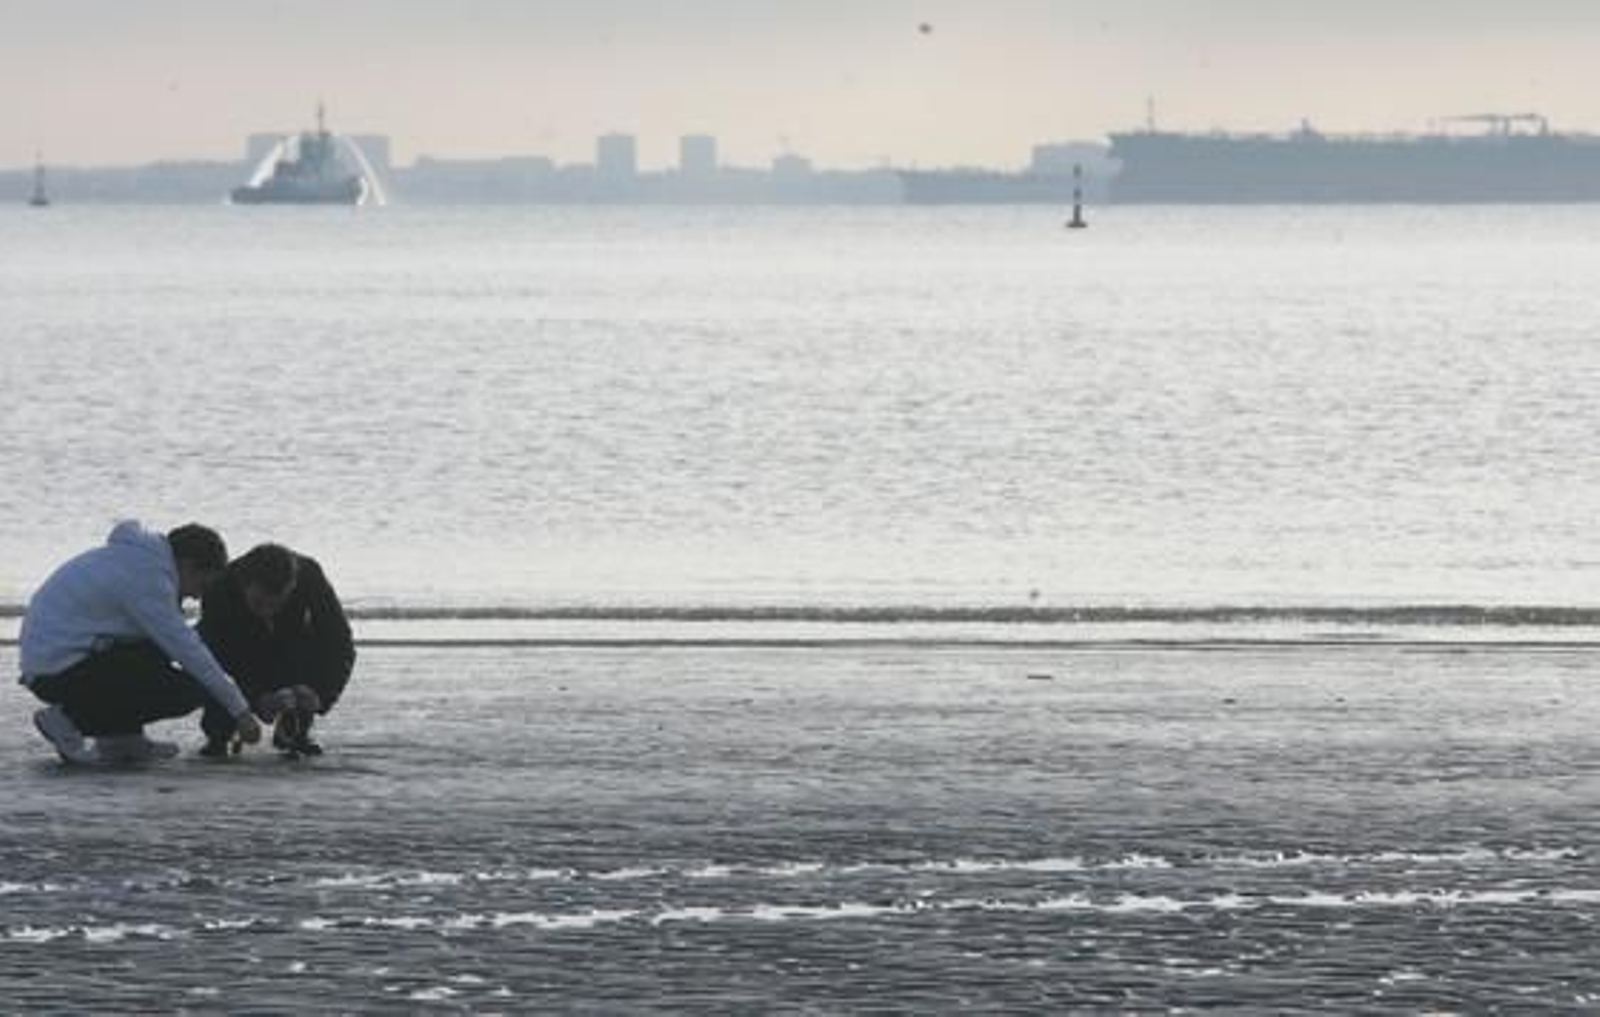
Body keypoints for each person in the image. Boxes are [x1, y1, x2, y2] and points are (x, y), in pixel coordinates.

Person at [18, 521, 263, 764]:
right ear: (187, 566)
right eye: (202, 584)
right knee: (189, 691)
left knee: (155, 652)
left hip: (58, 660)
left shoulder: (140, 562)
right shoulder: (149, 579)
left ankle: (123, 740)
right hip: (55, 672)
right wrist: (240, 711)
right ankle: (67, 721)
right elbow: (189, 652)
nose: (197, 596)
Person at [197, 543, 355, 759]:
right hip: (240, 649)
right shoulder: (218, 587)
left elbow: (340, 644)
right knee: (208, 655)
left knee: (315, 646)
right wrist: (254, 700)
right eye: (258, 602)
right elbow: (212, 661)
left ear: (292, 586)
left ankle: (295, 729)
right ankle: (220, 735)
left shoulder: (309, 575)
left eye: (277, 605)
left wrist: (321, 693)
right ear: (244, 585)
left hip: (290, 646)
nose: (267, 612)